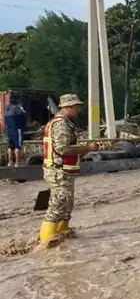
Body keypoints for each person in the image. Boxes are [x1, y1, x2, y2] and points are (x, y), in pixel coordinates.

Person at [39, 94, 98, 246]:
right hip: (58, 172)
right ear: (68, 107)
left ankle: (63, 235)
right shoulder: (61, 125)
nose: (78, 110)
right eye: (76, 107)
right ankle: (46, 243)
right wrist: (88, 147)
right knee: (57, 206)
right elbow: (63, 149)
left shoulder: (66, 123)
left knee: (66, 206)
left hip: (64, 172)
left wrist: (86, 150)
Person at [4, 96, 26, 166]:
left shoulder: (6, 108)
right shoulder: (17, 108)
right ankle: (17, 162)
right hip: (17, 128)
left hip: (9, 129)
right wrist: (21, 107)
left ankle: (10, 162)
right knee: (18, 146)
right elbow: (24, 116)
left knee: (10, 146)